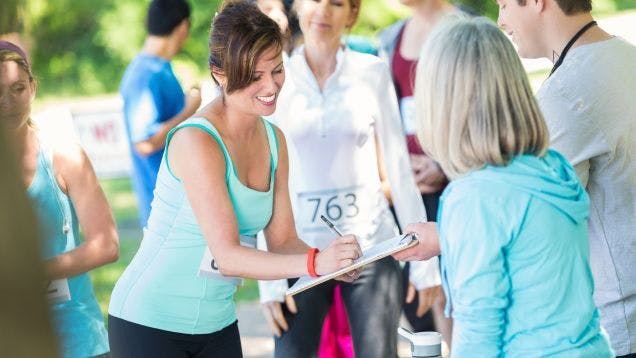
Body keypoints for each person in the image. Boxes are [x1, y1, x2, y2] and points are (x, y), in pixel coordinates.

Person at [107, 3, 362, 357]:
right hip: (149, 323)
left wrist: (331, 262)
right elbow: (227, 255)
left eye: (276, 70)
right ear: (220, 74)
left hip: (217, 324)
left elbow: (283, 241)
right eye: (255, 76)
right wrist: (315, 264)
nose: (271, 86)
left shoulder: (275, 141)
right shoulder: (196, 139)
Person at [393, 17, 614, 356]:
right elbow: (523, 242)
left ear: (443, 105)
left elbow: (479, 331)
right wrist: (449, 235)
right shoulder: (549, 166)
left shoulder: (474, 198)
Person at [257, 0, 440, 357]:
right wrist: (270, 282)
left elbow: (399, 168)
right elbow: (266, 181)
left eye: (336, 3)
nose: (323, 11)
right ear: (297, 8)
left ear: (351, 13)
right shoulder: (276, 78)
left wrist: (426, 267)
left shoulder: (371, 72)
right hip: (300, 252)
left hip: (372, 244)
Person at [496, 0, 636, 355]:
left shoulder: (565, 94)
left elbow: (539, 229)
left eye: (503, 5)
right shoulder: (626, 57)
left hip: (617, 329)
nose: (501, 21)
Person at [0, 41, 119, 358]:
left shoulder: (63, 155)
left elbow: (107, 245)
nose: (8, 102)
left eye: (18, 89)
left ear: (33, 88)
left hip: (78, 338)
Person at [377, 0, 463, 343]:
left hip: (454, 182)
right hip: (406, 188)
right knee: (418, 298)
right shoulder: (389, 38)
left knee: (454, 293)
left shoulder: (464, 29)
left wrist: (442, 164)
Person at [120, 0, 202, 228]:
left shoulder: (158, 68)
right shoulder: (144, 75)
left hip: (180, 203)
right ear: (184, 26)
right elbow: (145, 144)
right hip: (163, 210)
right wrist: (190, 109)